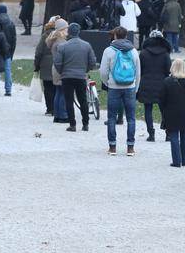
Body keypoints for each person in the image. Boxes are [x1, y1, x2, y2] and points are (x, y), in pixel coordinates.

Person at [100, 26, 142, 155]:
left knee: (112, 117)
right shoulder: (133, 51)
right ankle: (130, 147)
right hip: (129, 86)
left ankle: (112, 147)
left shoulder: (109, 50)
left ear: (115, 36)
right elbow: (138, 71)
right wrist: (136, 87)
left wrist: (107, 83)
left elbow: (103, 71)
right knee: (131, 118)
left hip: (114, 86)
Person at [54, 22, 98, 132]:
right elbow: (92, 61)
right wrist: (86, 70)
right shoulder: (86, 45)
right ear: (79, 32)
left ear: (69, 32)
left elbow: (57, 62)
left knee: (69, 100)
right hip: (81, 76)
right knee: (83, 100)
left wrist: (62, 72)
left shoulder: (63, 46)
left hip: (67, 76)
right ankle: (85, 123)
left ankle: (72, 124)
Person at [159, 58, 185, 168]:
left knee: (174, 136)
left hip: (170, 111)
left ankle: (176, 161)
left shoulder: (167, 81)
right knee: (184, 136)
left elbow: (161, 99)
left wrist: (164, 111)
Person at [137, 29, 171, 142]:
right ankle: (168, 133)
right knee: (165, 109)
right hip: (162, 84)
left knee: (148, 109)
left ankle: (151, 134)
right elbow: (168, 71)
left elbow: (139, 70)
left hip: (146, 83)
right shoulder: (166, 54)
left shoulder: (143, 53)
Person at [46, 18, 70, 123]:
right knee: (63, 93)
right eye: (66, 28)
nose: (68, 30)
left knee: (59, 92)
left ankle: (57, 114)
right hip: (61, 68)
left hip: (55, 68)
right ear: (62, 29)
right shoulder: (61, 42)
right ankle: (63, 115)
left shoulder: (54, 40)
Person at [34, 16, 59, 116]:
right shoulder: (63, 35)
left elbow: (38, 52)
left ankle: (50, 109)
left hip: (46, 65)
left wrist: (36, 65)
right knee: (58, 88)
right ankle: (57, 108)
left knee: (48, 88)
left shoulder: (45, 35)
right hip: (58, 64)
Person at [0, 5, 17, 96]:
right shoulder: (11, 23)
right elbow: (14, 39)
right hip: (8, 49)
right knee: (7, 69)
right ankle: (8, 90)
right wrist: (12, 52)